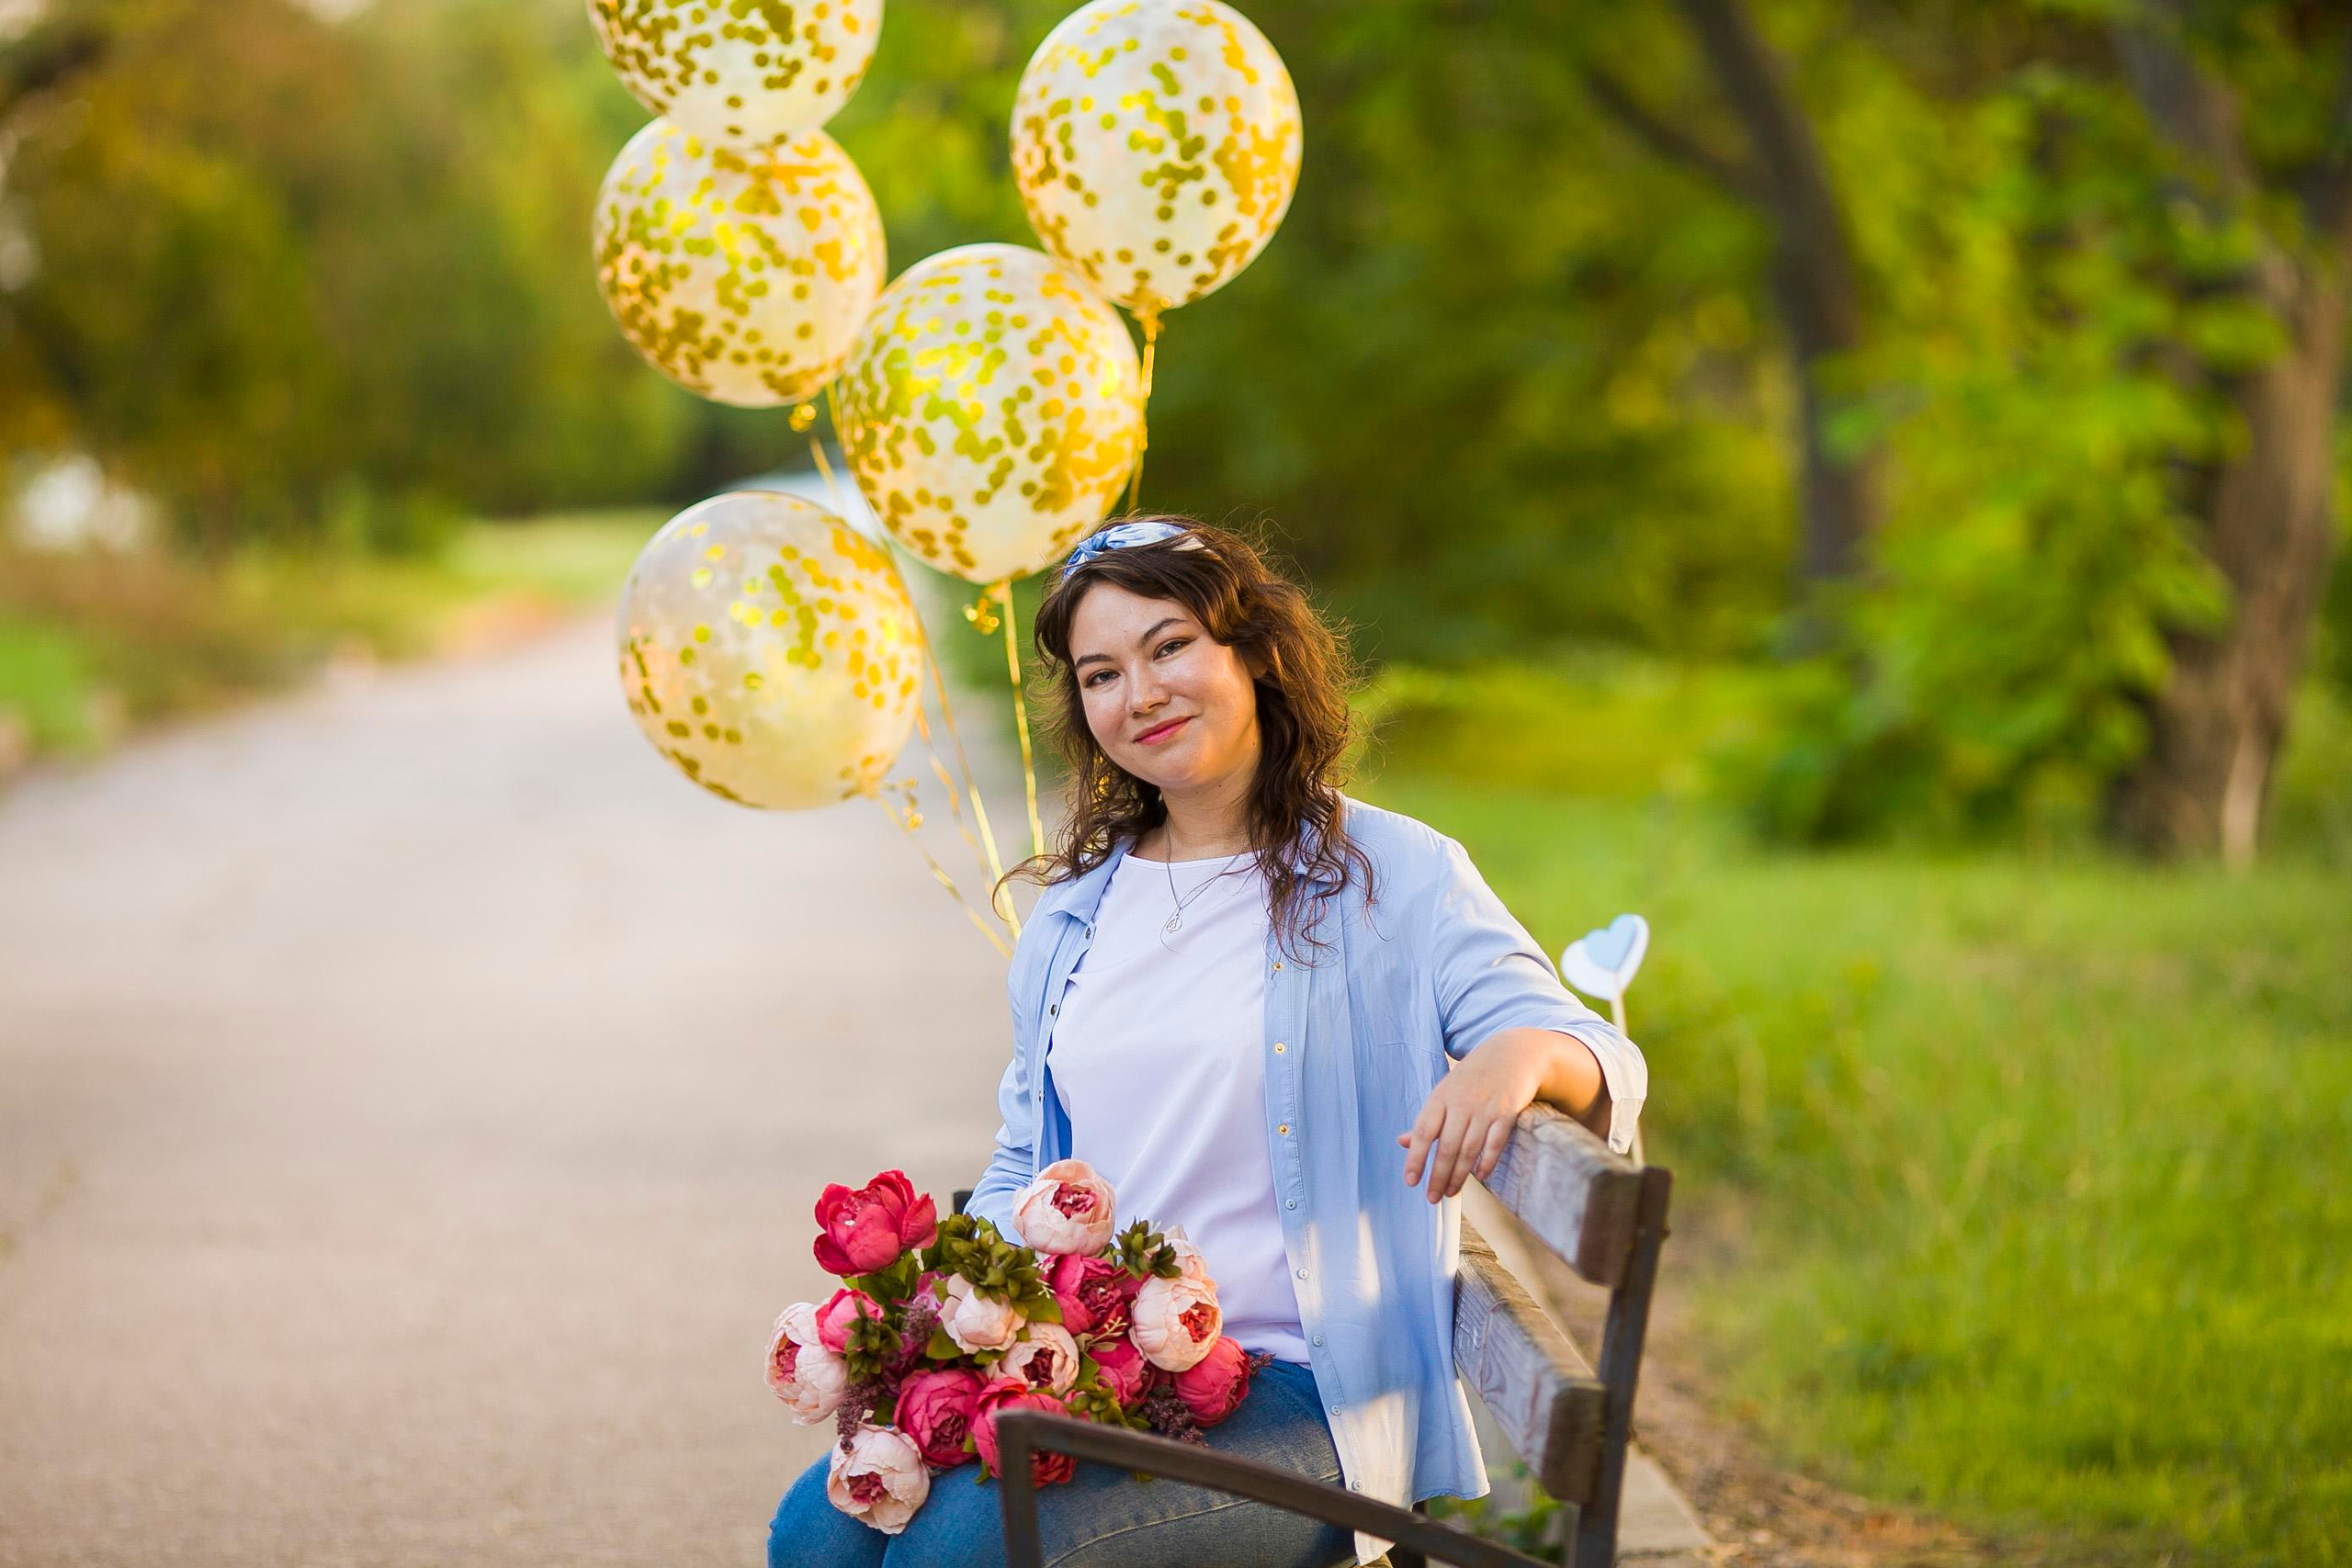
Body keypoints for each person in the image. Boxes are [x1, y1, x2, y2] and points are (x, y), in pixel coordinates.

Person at [767, 518, 1647, 1567]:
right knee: (818, 1531)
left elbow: (1596, 1053)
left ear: (1256, 655)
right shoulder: (1074, 918)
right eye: (1101, 673)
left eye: (1169, 646)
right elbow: (1023, 1157)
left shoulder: (1392, 876)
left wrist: (1515, 1057)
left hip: (1308, 1390)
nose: (1138, 695)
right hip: (1095, 1370)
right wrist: (952, 1326)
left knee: (967, 1545)